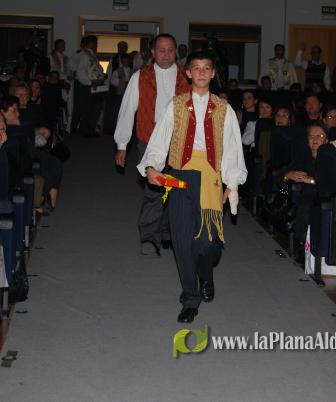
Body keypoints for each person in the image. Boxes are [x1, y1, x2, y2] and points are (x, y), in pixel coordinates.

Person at [137, 51, 247, 323]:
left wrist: (232, 183)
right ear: (187, 73)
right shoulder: (176, 105)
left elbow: (232, 148)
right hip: (179, 177)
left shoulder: (224, 109)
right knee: (182, 241)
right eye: (196, 68)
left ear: (213, 73)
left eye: (206, 68)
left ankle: (206, 273)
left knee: (206, 244)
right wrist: (152, 165)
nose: (201, 72)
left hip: (210, 178)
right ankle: (190, 298)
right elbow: (160, 138)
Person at [114, 33, 191, 256]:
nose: (166, 55)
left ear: (176, 52)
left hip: (180, 141)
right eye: (162, 50)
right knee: (154, 189)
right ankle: (149, 236)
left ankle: (169, 233)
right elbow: (127, 110)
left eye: (170, 50)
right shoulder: (141, 76)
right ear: (153, 52)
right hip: (148, 139)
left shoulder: (188, 76)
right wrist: (122, 144)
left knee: (177, 189)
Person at [282, 122, 328, 263]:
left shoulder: (331, 158)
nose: (315, 139)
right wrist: (288, 175)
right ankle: (303, 244)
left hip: (326, 196)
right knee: (306, 204)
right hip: (306, 197)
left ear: (326, 140)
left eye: (319, 136)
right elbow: (284, 174)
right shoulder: (302, 157)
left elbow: (331, 182)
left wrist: (312, 180)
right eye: (311, 136)